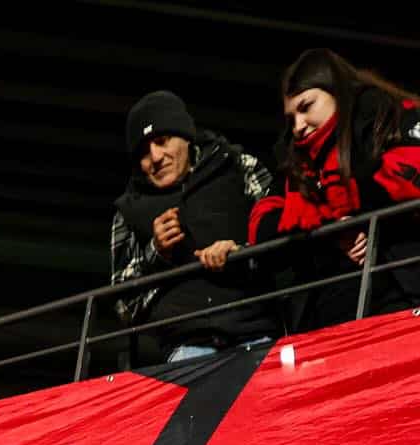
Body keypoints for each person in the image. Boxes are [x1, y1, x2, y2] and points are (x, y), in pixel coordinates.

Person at [250, 48, 420, 331]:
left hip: (403, 297)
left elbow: (409, 172)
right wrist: (331, 231)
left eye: (306, 107)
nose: (298, 126)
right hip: (324, 320)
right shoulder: (294, 160)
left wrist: (337, 213)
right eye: (291, 118)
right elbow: (261, 225)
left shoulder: (389, 116)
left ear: (337, 92)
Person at [110, 90, 276, 365]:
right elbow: (123, 307)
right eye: (143, 152)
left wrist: (240, 253)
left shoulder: (238, 165)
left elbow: (282, 242)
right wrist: (156, 253)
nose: (155, 157)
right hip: (186, 349)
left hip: (258, 334)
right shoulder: (128, 211)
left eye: (162, 141)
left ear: (186, 136)